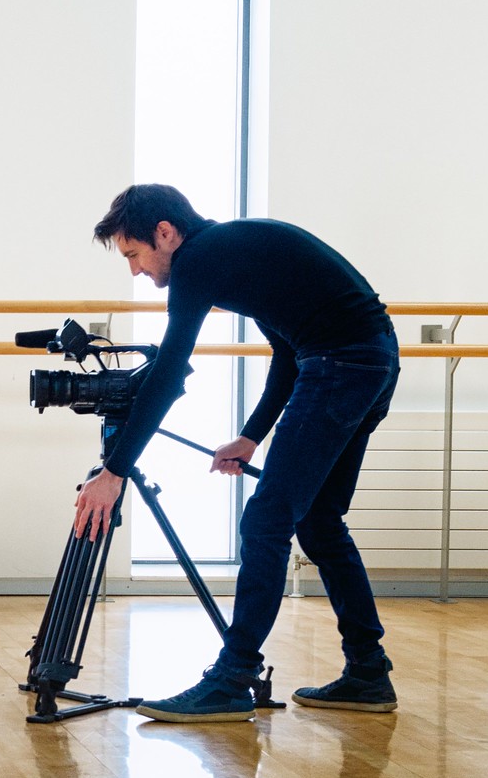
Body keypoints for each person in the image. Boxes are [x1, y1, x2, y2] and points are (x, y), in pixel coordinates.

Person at [74, 184, 400, 723]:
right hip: (372, 361)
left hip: (343, 366)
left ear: (165, 233)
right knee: (318, 521)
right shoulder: (234, 252)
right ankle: (368, 670)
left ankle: (233, 677)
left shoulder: (201, 259)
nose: (135, 271)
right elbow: (287, 350)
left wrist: (114, 471)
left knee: (266, 521)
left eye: (134, 255)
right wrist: (251, 436)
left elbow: (169, 373)